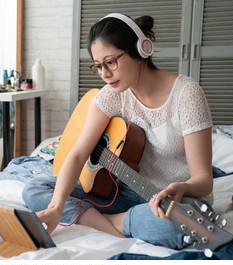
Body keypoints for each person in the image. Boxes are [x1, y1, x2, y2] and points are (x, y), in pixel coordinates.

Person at [22, 13, 213, 249]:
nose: (104, 74)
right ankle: (121, 222)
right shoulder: (111, 95)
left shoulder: (187, 95)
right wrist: (56, 207)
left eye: (111, 62)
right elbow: (79, 154)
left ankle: (106, 221)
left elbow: (204, 181)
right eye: (98, 66)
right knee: (35, 188)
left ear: (141, 50)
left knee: (187, 224)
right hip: (125, 194)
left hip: (173, 202)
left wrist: (182, 187)